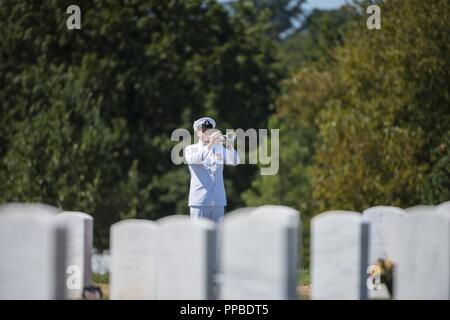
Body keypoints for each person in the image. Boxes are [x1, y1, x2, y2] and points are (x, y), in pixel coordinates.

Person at [184, 117, 240, 222]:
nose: (207, 132)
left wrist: (227, 144)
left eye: (209, 129)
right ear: (198, 133)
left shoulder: (218, 148)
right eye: (204, 129)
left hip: (218, 200)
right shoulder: (191, 149)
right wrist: (210, 144)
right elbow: (194, 159)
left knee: (217, 236)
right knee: (198, 235)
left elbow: (235, 161)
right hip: (200, 201)